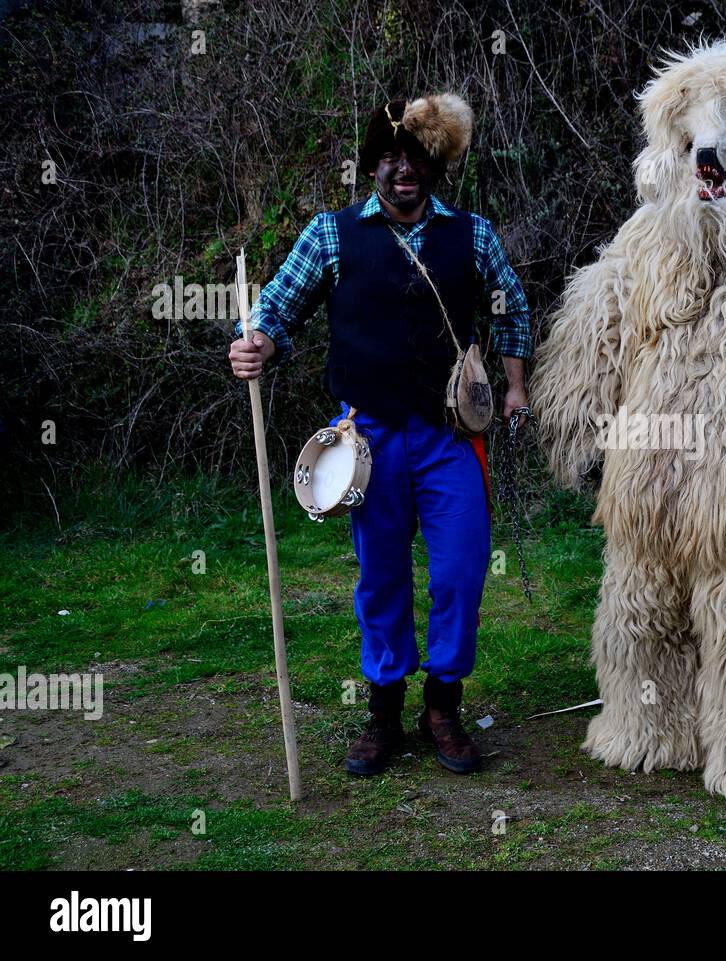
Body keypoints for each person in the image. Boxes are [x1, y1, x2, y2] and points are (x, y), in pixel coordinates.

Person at [227, 94, 531, 777]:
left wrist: (514, 385)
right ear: (371, 167)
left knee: (460, 569)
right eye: (390, 159)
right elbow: (278, 305)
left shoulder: (472, 235)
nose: (403, 173)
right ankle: (383, 715)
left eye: (415, 159)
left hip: (450, 436)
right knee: (382, 576)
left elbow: (510, 303)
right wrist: (255, 345)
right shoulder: (332, 235)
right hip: (366, 442)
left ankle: (443, 705)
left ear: (434, 167)